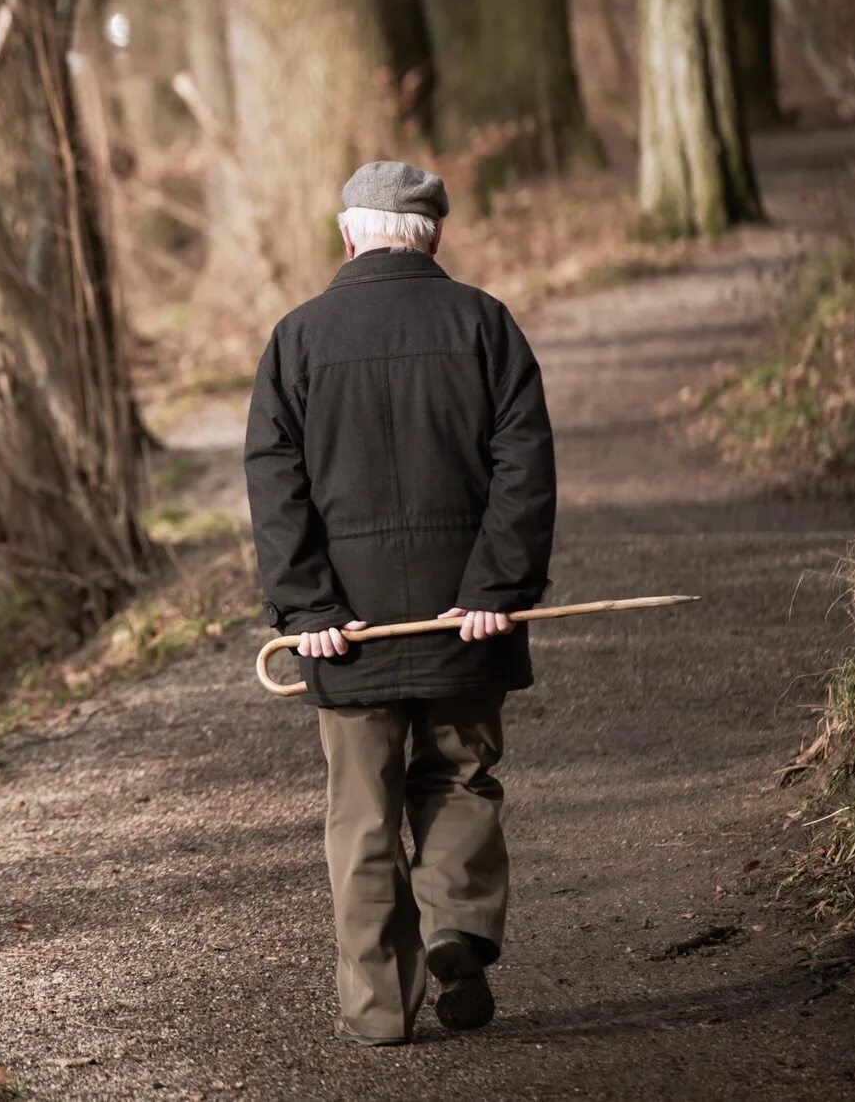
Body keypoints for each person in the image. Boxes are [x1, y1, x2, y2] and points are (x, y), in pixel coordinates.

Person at [243, 160, 557, 1046]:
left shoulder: (295, 339)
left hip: (348, 631)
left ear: (348, 234)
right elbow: (524, 468)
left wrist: (307, 608)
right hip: (466, 621)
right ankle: (456, 922)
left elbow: (276, 484)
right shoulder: (484, 324)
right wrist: (497, 587)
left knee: (363, 812)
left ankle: (381, 1010)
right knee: (458, 774)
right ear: (434, 235)